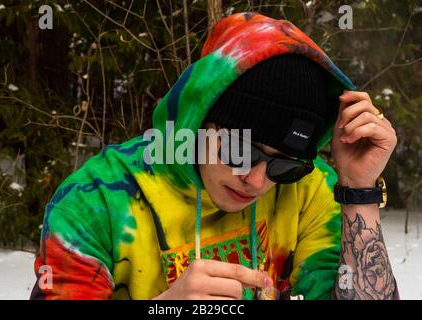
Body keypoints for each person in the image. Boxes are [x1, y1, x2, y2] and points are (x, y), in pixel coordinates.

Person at [30, 12, 398, 300]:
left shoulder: (310, 188)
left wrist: (359, 190)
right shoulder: (93, 203)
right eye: (240, 150)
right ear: (198, 119)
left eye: (283, 165)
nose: (256, 181)